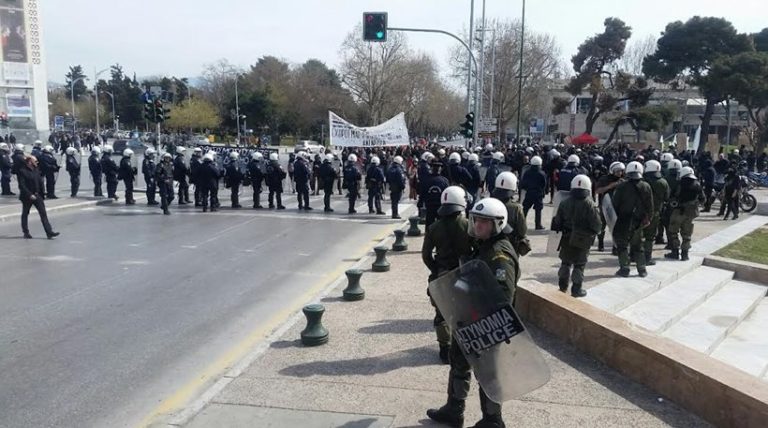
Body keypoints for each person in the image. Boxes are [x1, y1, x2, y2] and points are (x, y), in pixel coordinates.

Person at [427, 197, 518, 428]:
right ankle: (454, 410)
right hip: (468, 319)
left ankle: (492, 420)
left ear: (497, 224)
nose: (477, 226)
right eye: (476, 221)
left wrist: (468, 289)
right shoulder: (483, 246)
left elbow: (502, 298)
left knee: (487, 374)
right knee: (458, 362)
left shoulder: (500, 255)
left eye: (484, 223)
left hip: (486, 323)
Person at [421, 186, 472, 364]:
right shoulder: (468, 225)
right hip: (464, 275)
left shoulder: (434, 227)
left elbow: (426, 255)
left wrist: (435, 269)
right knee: (465, 312)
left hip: (441, 274)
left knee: (441, 314)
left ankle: (444, 349)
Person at [551, 175, 602, 297]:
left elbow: (557, 222)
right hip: (583, 240)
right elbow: (597, 225)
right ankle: (576, 289)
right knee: (579, 265)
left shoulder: (564, 203)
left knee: (565, 262)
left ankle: (562, 287)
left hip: (566, 238)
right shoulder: (590, 205)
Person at [612, 161, 654, 278]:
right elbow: (650, 206)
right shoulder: (646, 186)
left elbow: (615, 204)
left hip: (623, 220)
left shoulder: (621, 186)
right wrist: (648, 219)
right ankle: (642, 270)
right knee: (638, 245)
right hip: (639, 221)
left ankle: (624, 269)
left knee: (622, 245)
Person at [666, 167, 703, 260]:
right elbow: (703, 199)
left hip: (678, 212)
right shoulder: (697, 184)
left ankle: (675, 252)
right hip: (691, 213)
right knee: (687, 234)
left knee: (673, 232)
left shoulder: (679, 184)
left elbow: (671, 197)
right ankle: (685, 254)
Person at [17, 155, 59, 239]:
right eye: (35, 161)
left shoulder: (36, 170)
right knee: (25, 214)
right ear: (29, 162)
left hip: (37, 195)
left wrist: (42, 193)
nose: (37, 163)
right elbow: (22, 185)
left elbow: (40, 182)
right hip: (27, 197)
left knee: (43, 213)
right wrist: (29, 195)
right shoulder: (22, 171)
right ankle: (26, 232)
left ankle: (49, 232)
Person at [491, 171, 529, 256]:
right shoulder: (516, 208)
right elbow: (522, 231)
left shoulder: (488, 203)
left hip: (489, 246)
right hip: (509, 247)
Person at [642, 160, 669, 266]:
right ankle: (647, 258)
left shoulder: (642, 181)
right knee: (650, 237)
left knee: (637, 235)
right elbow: (667, 197)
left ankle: (634, 256)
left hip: (640, 212)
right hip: (655, 212)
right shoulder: (663, 182)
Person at [594, 162, 624, 252]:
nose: (619, 173)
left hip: (617, 207)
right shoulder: (604, 179)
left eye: (621, 171)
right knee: (601, 226)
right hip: (605, 206)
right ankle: (600, 244)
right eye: (617, 171)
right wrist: (611, 186)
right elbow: (597, 191)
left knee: (616, 228)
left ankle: (615, 246)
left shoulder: (623, 180)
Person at [519, 155, 547, 230]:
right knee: (538, 210)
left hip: (529, 193)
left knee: (525, 209)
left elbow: (523, 183)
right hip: (538, 194)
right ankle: (538, 225)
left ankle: (521, 224)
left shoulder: (527, 172)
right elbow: (544, 184)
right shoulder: (542, 173)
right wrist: (544, 192)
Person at [422, 161, 450, 227]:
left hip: (430, 205)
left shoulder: (426, 180)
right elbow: (447, 194)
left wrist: (421, 202)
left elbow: (422, 192)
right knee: (441, 224)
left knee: (429, 223)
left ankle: (428, 235)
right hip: (440, 205)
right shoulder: (444, 180)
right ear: (440, 170)